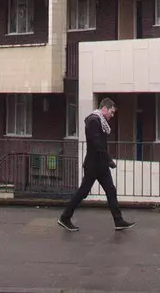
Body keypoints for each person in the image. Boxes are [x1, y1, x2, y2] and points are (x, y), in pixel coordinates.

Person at [58, 97, 133, 231]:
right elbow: (96, 143)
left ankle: (118, 221)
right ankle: (65, 217)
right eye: (112, 111)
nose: (112, 115)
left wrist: (106, 160)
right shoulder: (93, 121)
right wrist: (109, 159)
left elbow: (99, 143)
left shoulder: (101, 122)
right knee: (83, 192)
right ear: (104, 108)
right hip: (93, 164)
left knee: (111, 190)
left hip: (100, 164)